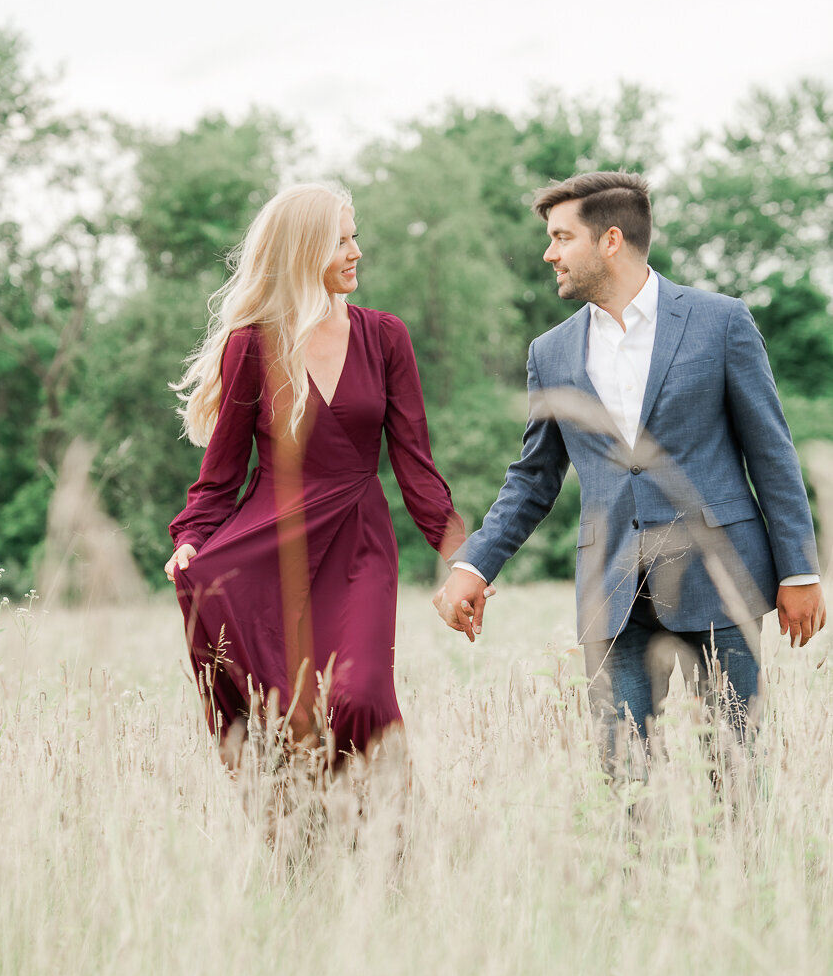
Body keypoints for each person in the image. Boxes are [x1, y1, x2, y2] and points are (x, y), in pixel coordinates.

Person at [434, 171, 825, 770]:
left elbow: (770, 452)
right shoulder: (551, 352)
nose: (550, 253)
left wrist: (799, 568)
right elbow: (533, 479)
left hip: (721, 581)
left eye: (563, 237)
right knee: (623, 782)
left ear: (610, 240)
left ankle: (740, 868)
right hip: (611, 590)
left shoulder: (721, 322)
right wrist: (473, 564)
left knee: (736, 770)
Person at [166, 182, 464, 764]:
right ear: (303, 251)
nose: (356, 253)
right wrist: (192, 537)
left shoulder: (385, 336)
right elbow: (221, 471)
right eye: (340, 242)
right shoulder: (252, 345)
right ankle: (304, 844)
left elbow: (415, 464)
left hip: (359, 542)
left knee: (361, 698)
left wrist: (462, 555)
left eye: (355, 239)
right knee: (289, 714)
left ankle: (388, 847)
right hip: (272, 544)